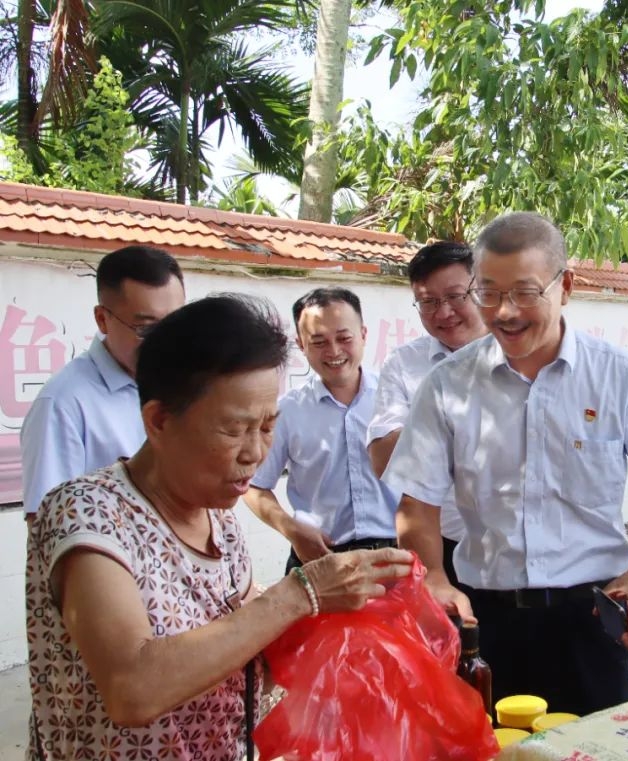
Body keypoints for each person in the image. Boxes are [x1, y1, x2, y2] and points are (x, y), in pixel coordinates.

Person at [25, 294, 414, 761]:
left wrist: (360, 631)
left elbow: (247, 654)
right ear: (159, 420)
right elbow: (133, 688)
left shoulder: (220, 523)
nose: (256, 452)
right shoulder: (88, 513)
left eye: (268, 427)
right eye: (234, 430)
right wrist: (300, 593)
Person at [384, 212, 628, 716]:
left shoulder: (616, 376)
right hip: (486, 624)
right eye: (487, 293)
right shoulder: (447, 385)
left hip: (590, 623)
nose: (505, 312)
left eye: (525, 293)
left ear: (565, 285)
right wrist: (434, 579)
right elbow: (416, 502)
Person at [19, 245, 185, 519]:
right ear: (102, 319)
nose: (165, 341)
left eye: (175, 325)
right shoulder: (63, 403)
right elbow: (48, 524)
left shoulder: (182, 385)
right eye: (146, 328)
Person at [244, 287, 399, 573]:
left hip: (397, 555)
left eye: (344, 338)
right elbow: (254, 484)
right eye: (318, 342)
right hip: (320, 558)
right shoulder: (286, 411)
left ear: (363, 335)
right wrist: (291, 529)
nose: (334, 351)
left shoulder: (398, 399)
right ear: (300, 345)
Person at [367, 241, 488, 588]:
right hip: (443, 547)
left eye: (455, 296)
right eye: (428, 302)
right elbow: (384, 456)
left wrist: (427, 441)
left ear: (479, 288)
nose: (443, 312)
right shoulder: (404, 365)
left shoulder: (516, 352)